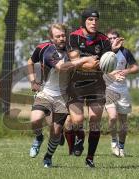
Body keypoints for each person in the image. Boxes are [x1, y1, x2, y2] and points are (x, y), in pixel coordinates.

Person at [27, 23, 97, 168]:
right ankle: (38, 138)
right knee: (35, 120)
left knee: (56, 132)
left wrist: (100, 62)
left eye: (63, 35)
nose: (61, 38)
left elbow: (81, 65)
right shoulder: (46, 50)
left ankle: (48, 157)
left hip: (63, 97)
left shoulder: (72, 51)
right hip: (45, 93)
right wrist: (33, 81)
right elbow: (61, 67)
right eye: (57, 36)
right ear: (51, 38)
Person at [67, 8, 123, 167]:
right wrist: (90, 63)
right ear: (84, 21)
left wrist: (113, 56)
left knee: (94, 121)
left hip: (97, 84)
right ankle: (79, 137)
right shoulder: (74, 37)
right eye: (90, 20)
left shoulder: (104, 40)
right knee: (77, 120)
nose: (94, 23)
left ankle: (90, 158)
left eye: (96, 20)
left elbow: (105, 64)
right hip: (76, 83)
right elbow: (74, 61)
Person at [104, 29, 139, 157]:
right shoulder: (105, 53)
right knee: (113, 117)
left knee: (123, 121)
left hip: (123, 90)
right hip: (109, 89)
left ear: (119, 39)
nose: (112, 40)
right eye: (109, 38)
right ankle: (114, 142)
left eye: (114, 38)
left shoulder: (125, 52)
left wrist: (126, 71)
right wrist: (113, 75)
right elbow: (100, 71)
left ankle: (122, 147)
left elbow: (136, 67)